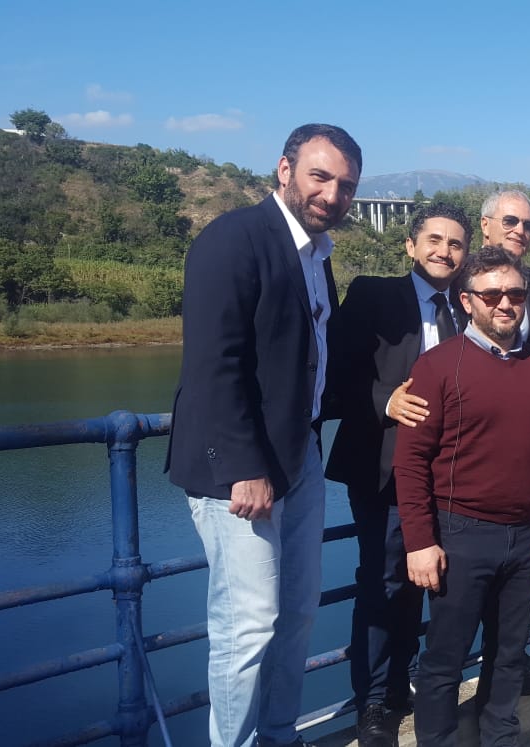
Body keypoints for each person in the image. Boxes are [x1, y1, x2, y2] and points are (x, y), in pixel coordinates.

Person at [166, 123, 361, 747]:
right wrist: (243, 467)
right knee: (247, 625)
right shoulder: (234, 239)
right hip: (240, 471)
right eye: (320, 177)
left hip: (300, 455)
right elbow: (213, 364)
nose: (332, 194)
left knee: (297, 612)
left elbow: (308, 357)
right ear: (284, 170)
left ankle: (280, 735)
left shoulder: (316, 256)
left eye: (345, 185)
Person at [394, 246, 530, 746]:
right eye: (491, 295)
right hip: (460, 533)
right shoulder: (437, 366)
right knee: (445, 660)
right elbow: (410, 462)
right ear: (467, 301)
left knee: (510, 652)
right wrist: (419, 542)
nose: (505, 303)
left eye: (514, 293)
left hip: (523, 534)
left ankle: (500, 737)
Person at [325, 202, 471, 747]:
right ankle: (375, 702)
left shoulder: (469, 306)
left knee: (439, 578)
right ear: (411, 246)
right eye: (434, 240)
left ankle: (415, 683)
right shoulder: (373, 295)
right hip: (384, 469)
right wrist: (385, 400)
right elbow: (332, 374)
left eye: (455, 244)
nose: (444, 251)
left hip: (451, 473)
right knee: (385, 580)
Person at [479, 190, 530, 351]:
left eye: (528, 226)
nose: (520, 231)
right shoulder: (459, 276)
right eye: (510, 221)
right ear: (485, 225)